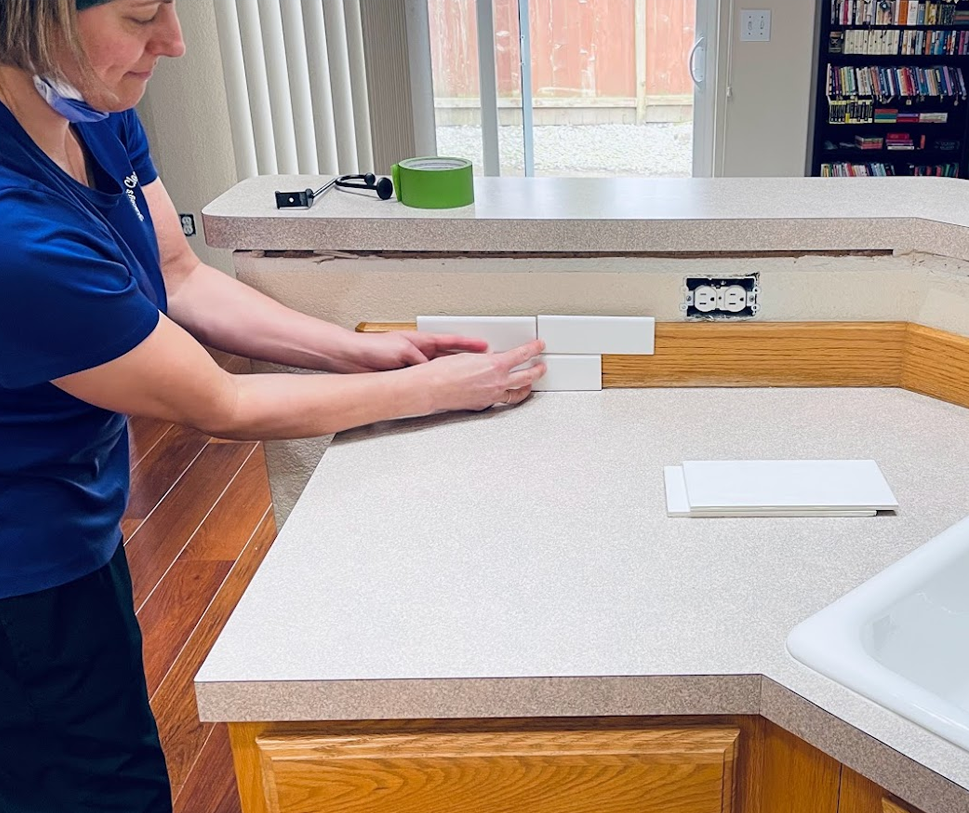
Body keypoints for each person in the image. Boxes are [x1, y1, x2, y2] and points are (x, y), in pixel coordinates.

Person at [0, 1, 546, 810]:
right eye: (142, 14)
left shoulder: (91, 109)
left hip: (69, 500)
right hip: (21, 556)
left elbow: (180, 275)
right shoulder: (18, 239)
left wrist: (355, 348)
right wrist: (439, 388)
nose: (174, 43)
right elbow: (216, 401)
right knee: (97, 782)